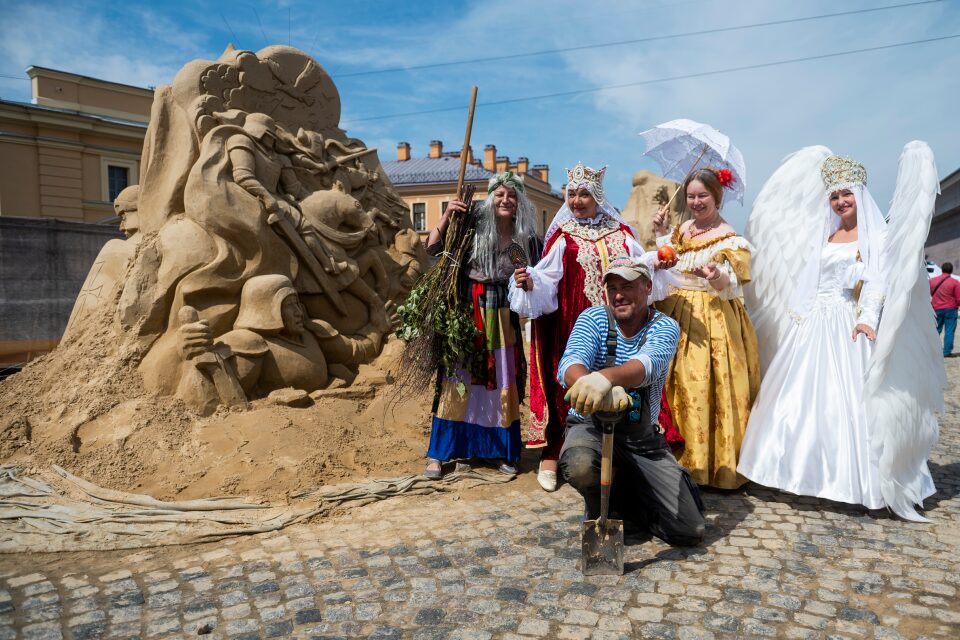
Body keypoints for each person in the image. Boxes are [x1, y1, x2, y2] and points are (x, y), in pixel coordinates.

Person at [738, 147, 944, 520]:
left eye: (845, 194)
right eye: (833, 196)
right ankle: (794, 471)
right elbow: (810, 283)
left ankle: (860, 480)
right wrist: (798, 316)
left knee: (850, 401)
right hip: (816, 324)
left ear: (860, 195)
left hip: (851, 324)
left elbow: (879, 282)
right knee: (799, 399)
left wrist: (867, 317)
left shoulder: (877, 239)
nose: (839, 201)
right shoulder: (827, 238)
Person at [510, 162, 679, 493]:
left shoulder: (623, 234)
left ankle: (630, 450)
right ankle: (556, 449)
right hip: (575, 323)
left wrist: (657, 262)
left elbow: (642, 270)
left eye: (583, 194)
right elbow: (547, 278)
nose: (576, 201)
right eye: (571, 194)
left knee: (626, 386)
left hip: (624, 326)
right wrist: (528, 281)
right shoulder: (563, 236)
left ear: (598, 197)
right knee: (572, 385)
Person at [558, 257, 705, 545]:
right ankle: (604, 505)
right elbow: (570, 363)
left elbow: (647, 365)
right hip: (591, 428)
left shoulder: (665, 326)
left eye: (627, 286)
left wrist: (606, 379)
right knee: (579, 464)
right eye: (612, 288)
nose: (618, 295)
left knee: (688, 529)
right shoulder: (593, 318)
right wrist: (586, 383)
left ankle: (632, 498)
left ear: (648, 287)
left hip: (641, 438)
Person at [422, 172, 542, 479]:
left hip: (503, 314)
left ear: (519, 202)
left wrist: (526, 282)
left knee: (501, 380)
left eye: (511, 195)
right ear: (491, 197)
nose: (505, 200)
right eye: (500, 194)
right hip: (467, 307)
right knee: (457, 379)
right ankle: (440, 453)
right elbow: (432, 247)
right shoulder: (470, 226)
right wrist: (448, 213)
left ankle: (500, 450)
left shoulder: (524, 239)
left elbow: (533, 281)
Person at [651, 168, 760, 489]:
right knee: (670, 383)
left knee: (703, 383)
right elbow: (667, 261)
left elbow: (732, 283)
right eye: (691, 196)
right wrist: (661, 233)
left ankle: (708, 467)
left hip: (712, 319)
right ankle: (672, 460)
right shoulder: (682, 229)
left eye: (703, 196)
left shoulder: (730, 239)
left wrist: (714, 275)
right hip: (673, 312)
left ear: (717, 196)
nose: (696, 202)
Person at [930, 262, 959, 357]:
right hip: (951, 309)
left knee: (935, 330)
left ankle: (931, 351)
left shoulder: (932, 281)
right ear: (951, 270)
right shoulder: (955, 283)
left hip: (936, 309)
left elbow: (927, 294)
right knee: (949, 331)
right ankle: (946, 352)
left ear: (942, 269)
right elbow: (959, 298)